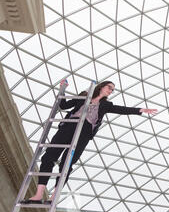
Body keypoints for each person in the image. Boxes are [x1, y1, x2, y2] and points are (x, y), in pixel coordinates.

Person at [23, 80, 157, 204]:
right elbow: (63, 105)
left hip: (85, 131)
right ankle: (39, 194)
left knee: (67, 162)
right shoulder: (84, 95)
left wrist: (141, 110)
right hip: (69, 125)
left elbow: (121, 109)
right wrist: (62, 90)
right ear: (101, 86)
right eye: (109, 87)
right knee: (49, 156)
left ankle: (53, 197)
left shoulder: (106, 104)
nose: (111, 91)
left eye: (113, 90)